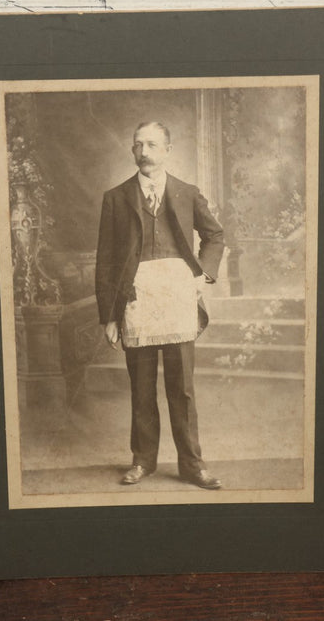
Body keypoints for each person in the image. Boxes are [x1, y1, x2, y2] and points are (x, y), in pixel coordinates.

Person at [95, 121, 224, 489]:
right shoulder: (116, 197)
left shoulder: (187, 192)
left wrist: (204, 274)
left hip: (178, 298)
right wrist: (109, 315)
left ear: (168, 149)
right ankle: (143, 460)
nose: (144, 152)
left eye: (152, 145)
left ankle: (192, 465)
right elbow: (105, 259)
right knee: (141, 386)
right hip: (135, 301)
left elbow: (215, 235)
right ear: (132, 151)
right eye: (138, 145)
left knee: (181, 388)